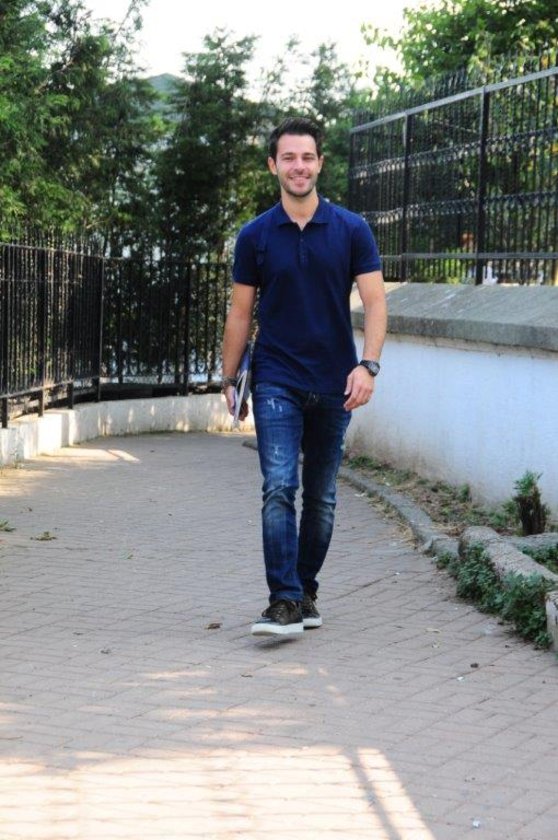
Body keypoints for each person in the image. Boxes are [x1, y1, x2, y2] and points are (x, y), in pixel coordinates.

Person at [221, 116, 387, 637]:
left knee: (321, 498)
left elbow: (376, 302)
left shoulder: (351, 229)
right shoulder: (254, 235)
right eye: (289, 157)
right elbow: (240, 314)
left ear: (320, 164)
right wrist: (229, 378)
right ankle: (284, 601)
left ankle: (305, 591)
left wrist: (368, 365)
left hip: (336, 382)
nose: (299, 166)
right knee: (278, 486)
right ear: (273, 165)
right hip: (276, 377)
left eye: (307, 157)